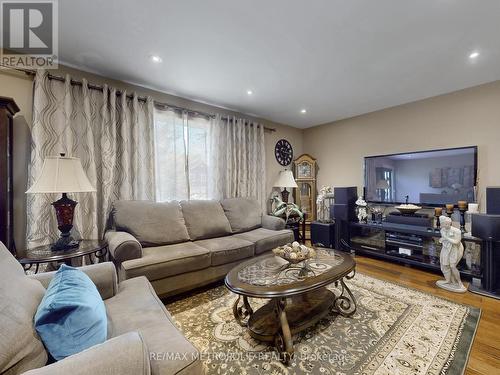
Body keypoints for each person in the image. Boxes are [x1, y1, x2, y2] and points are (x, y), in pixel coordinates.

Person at [437, 215, 466, 292]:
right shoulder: (442, 230)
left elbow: (456, 242)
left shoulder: (457, 231)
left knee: (453, 266)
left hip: (455, 249)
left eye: (445, 224)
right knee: (444, 265)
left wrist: (446, 238)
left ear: (450, 223)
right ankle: (449, 280)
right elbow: (443, 239)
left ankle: (460, 283)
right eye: (442, 224)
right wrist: (444, 240)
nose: (443, 225)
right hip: (446, 248)